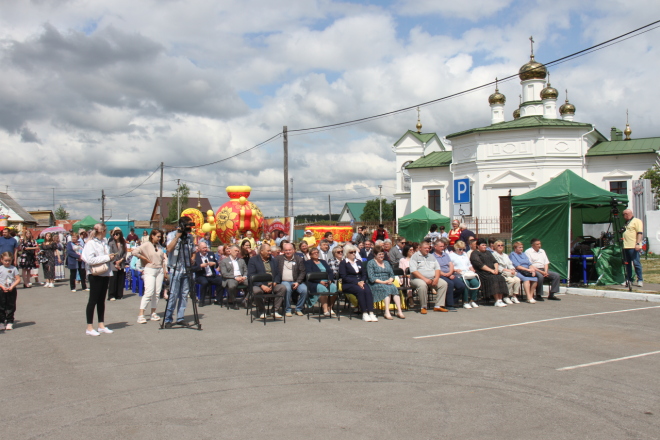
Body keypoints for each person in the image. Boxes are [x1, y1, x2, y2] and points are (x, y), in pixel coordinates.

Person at [81, 223, 116, 336]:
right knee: (93, 300)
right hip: (95, 274)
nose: (104, 231)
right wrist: (106, 257)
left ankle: (101, 325)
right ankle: (89, 327)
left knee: (101, 300)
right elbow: (89, 260)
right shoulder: (90, 243)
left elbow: (105, 255)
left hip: (105, 272)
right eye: (103, 229)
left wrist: (111, 257)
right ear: (101, 231)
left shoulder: (104, 242)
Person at [164, 218, 197, 327]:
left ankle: (180, 317)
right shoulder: (172, 235)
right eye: (187, 226)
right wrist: (177, 237)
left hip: (186, 269)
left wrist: (193, 258)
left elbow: (193, 250)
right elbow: (168, 249)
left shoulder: (189, 237)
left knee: (184, 294)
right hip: (175, 268)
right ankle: (168, 319)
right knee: (173, 294)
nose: (189, 228)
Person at [133, 229, 168, 322]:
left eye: (160, 237)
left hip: (159, 270)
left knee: (157, 293)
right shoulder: (146, 245)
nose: (159, 238)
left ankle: (153, 312)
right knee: (149, 292)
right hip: (150, 269)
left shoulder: (159, 246)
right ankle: (141, 314)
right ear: (152, 236)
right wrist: (144, 258)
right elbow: (135, 252)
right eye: (158, 236)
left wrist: (164, 271)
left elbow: (163, 260)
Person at [247, 243, 286, 319]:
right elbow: (251, 276)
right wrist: (261, 285)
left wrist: (275, 282)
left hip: (272, 284)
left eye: (270, 251)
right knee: (256, 291)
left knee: (282, 288)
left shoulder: (274, 260)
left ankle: (275, 310)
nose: (270, 253)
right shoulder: (253, 260)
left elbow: (278, 274)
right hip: (259, 284)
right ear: (261, 251)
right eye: (268, 251)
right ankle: (262, 311)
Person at [339, 243, 376, 322]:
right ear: (346, 253)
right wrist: (357, 282)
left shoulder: (358, 261)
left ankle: (371, 312)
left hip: (360, 282)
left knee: (368, 290)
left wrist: (362, 281)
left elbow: (364, 273)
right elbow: (344, 277)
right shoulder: (343, 263)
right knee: (360, 291)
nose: (353, 254)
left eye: (354, 252)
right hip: (349, 284)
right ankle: (364, 313)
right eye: (351, 252)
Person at [409, 241, 448, 314]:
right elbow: (414, 271)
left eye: (428, 248)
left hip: (432, 278)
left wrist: (436, 278)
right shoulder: (415, 256)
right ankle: (423, 307)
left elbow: (437, 268)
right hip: (417, 279)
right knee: (422, 285)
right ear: (420, 248)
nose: (427, 249)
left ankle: (438, 306)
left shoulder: (431, 256)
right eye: (425, 248)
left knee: (443, 283)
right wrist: (425, 279)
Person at [367, 244, 404, 320]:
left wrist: (390, 280)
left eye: (382, 254)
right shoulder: (371, 263)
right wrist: (384, 282)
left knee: (394, 289)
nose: (381, 256)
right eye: (379, 254)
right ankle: (387, 312)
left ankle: (399, 311)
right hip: (376, 283)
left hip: (387, 281)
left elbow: (391, 274)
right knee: (387, 289)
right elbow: (371, 278)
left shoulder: (386, 263)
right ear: (375, 254)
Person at [470, 238, 509, 307]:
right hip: (483, 273)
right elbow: (480, 265)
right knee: (493, 279)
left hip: (493, 272)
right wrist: (491, 270)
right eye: (483, 245)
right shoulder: (475, 254)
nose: (484, 246)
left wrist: (496, 269)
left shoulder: (488, 252)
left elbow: (495, 262)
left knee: (500, 278)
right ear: (478, 246)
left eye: (485, 245)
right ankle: (496, 300)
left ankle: (500, 299)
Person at [275, 242, 307, 317]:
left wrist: (298, 282)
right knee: (287, 289)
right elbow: (275, 271)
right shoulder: (278, 259)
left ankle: (298, 308)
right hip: (284, 281)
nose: (288, 252)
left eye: (289, 250)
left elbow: (302, 272)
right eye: (286, 250)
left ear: (293, 250)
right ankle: (287, 309)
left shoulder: (299, 259)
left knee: (304, 290)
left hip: (296, 281)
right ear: (283, 251)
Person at [305, 247, 338, 316]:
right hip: (315, 282)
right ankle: (325, 310)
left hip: (326, 281)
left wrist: (330, 280)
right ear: (310, 255)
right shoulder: (308, 263)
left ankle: (330, 307)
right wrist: (319, 281)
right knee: (322, 289)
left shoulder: (323, 261)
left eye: (317, 252)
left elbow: (330, 272)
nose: (316, 254)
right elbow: (309, 274)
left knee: (334, 288)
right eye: (314, 253)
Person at [432, 240, 463, 311]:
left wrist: (450, 273)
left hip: (449, 273)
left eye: (443, 246)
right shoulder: (432, 256)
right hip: (440, 274)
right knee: (450, 284)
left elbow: (451, 265)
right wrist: (445, 275)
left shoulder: (446, 255)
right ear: (435, 247)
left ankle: (450, 300)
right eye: (440, 246)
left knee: (461, 286)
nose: (442, 248)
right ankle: (449, 305)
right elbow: (434, 268)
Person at [191, 241, 223, 307]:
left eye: (206, 248)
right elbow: (192, 268)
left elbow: (216, 264)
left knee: (221, 281)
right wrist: (200, 266)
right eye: (203, 248)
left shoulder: (210, 254)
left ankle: (218, 299)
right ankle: (201, 301)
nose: (205, 249)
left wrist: (214, 263)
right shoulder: (195, 256)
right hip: (201, 275)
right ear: (199, 249)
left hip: (211, 275)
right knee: (204, 282)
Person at [450, 241, 480, 309]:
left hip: (467, 273)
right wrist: (455, 270)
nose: (462, 251)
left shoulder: (464, 254)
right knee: (466, 284)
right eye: (460, 249)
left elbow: (469, 264)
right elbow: (450, 266)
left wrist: (472, 269)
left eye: (463, 249)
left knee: (476, 283)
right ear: (456, 248)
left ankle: (472, 300)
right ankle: (465, 301)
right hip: (458, 274)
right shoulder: (451, 255)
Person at [219, 244, 248, 309]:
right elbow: (224, 273)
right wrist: (235, 277)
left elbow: (246, 270)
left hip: (241, 277)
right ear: (230, 251)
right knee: (231, 286)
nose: (237, 252)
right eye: (235, 251)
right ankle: (234, 301)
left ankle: (246, 299)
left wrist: (244, 276)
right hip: (231, 278)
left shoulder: (241, 260)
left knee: (252, 284)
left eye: (238, 251)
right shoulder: (224, 261)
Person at [622, 208, 644, 287]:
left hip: (633, 245)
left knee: (636, 263)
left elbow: (639, 233)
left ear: (631, 213)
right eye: (624, 214)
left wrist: (637, 243)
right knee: (627, 263)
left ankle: (640, 279)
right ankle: (629, 279)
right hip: (625, 246)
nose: (625, 216)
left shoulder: (636, 221)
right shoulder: (626, 223)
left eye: (627, 214)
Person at [0, 251, 20, 330]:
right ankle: (1, 322)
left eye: (9, 260)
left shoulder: (14, 268)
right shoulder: (0, 268)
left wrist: (12, 286)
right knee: (1, 306)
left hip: (11, 289)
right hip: (2, 289)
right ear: (1, 260)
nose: (7, 262)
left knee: (11, 306)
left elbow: (18, 279)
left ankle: (9, 321)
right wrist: (2, 287)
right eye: (5, 260)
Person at [107, 229, 127, 301]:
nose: (115, 236)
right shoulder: (111, 243)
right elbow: (110, 252)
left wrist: (121, 260)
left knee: (120, 278)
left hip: (121, 263)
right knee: (113, 279)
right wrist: (116, 262)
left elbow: (125, 253)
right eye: (114, 234)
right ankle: (111, 295)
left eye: (116, 234)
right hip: (113, 262)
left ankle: (119, 294)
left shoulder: (123, 243)